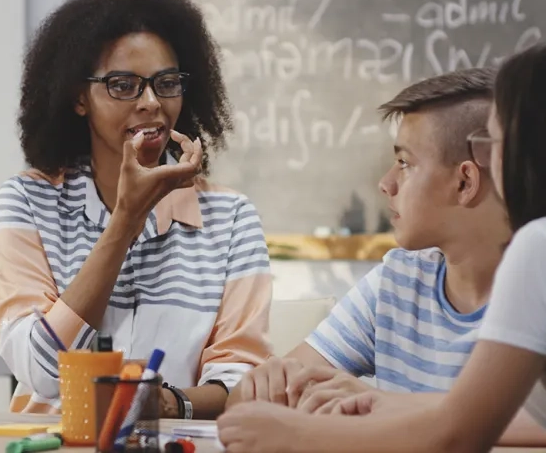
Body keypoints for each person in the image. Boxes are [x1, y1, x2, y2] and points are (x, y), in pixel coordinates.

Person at [217, 41, 546, 452]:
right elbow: (252, 398)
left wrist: (311, 432)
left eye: (405, 163)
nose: (385, 183)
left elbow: (460, 430)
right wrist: (265, 385)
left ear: (466, 180)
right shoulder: (400, 277)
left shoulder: (536, 250)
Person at [0, 0, 272, 419]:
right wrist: (125, 221)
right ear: (79, 98)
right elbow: (44, 372)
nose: (151, 103)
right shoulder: (28, 201)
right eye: (123, 85)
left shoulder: (231, 219)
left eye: (166, 83)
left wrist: (169, 403)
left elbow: (241, 381)